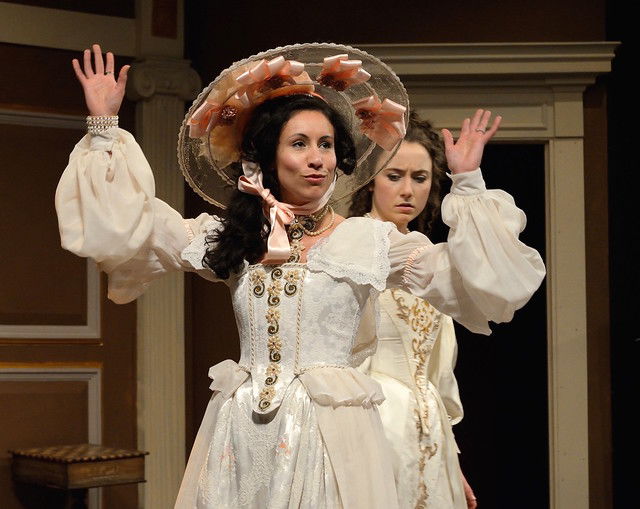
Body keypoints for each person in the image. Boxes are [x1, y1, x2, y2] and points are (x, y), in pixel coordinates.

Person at [56, 43, 545, 508]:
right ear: (267, 157)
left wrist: (468, 181)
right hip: (243, 434)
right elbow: (130, 228)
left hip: (330, 436)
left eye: (326, 145)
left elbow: (475, 280)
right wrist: (103, 127)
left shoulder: (366, 241)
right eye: (300, 143)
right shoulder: (234, 238)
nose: (317, 158)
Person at [350, 113, 477, 508]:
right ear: (371, 180)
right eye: (394, 176)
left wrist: (451, 459)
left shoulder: (429, 260)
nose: (407, 190)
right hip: (372, 425)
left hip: (428, 430)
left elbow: (438, 371)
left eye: (419, 178)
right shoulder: (351, 249)